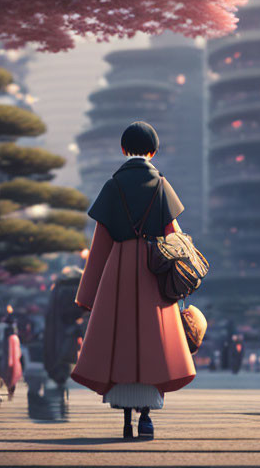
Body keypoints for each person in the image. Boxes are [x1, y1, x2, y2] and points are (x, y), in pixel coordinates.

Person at [71, 121, 196, 440]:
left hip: (118, 272)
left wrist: (87, 294)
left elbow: (100, 245)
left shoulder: (113, 186)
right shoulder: (161, 185)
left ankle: (125, 418)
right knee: (155, 344)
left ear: (123, 149)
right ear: (153, 151)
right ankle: (147, 418)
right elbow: (175, 238)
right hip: (155, 271)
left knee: (120, 342)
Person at [5, 323, 23, 400]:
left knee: (9, 377)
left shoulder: (9, 338)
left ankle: (10, 392)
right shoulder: (16, 338)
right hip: (15, 361)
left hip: (10, 360)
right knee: (13, 377)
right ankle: (11, 393)